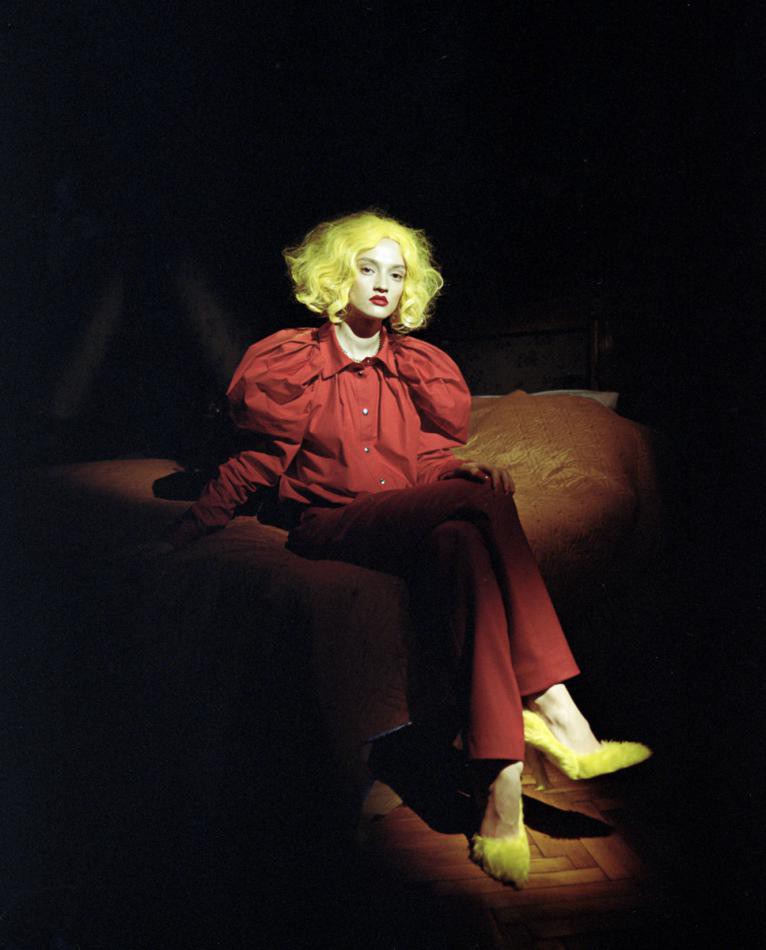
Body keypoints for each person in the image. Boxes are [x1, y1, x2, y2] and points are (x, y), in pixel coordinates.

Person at [160, 210, 651, 887]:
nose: (383, 284)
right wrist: (186, 533)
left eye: (396, 273)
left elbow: (420, 461)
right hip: (329, 522)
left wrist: (456, 470)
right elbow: (256, 464)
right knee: (482, 508)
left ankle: (500, 786)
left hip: (403, 519)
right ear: (335, 276)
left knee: (463, 539)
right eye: (368, 268)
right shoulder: (295, 362)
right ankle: (552, 700)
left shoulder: (415, 366)